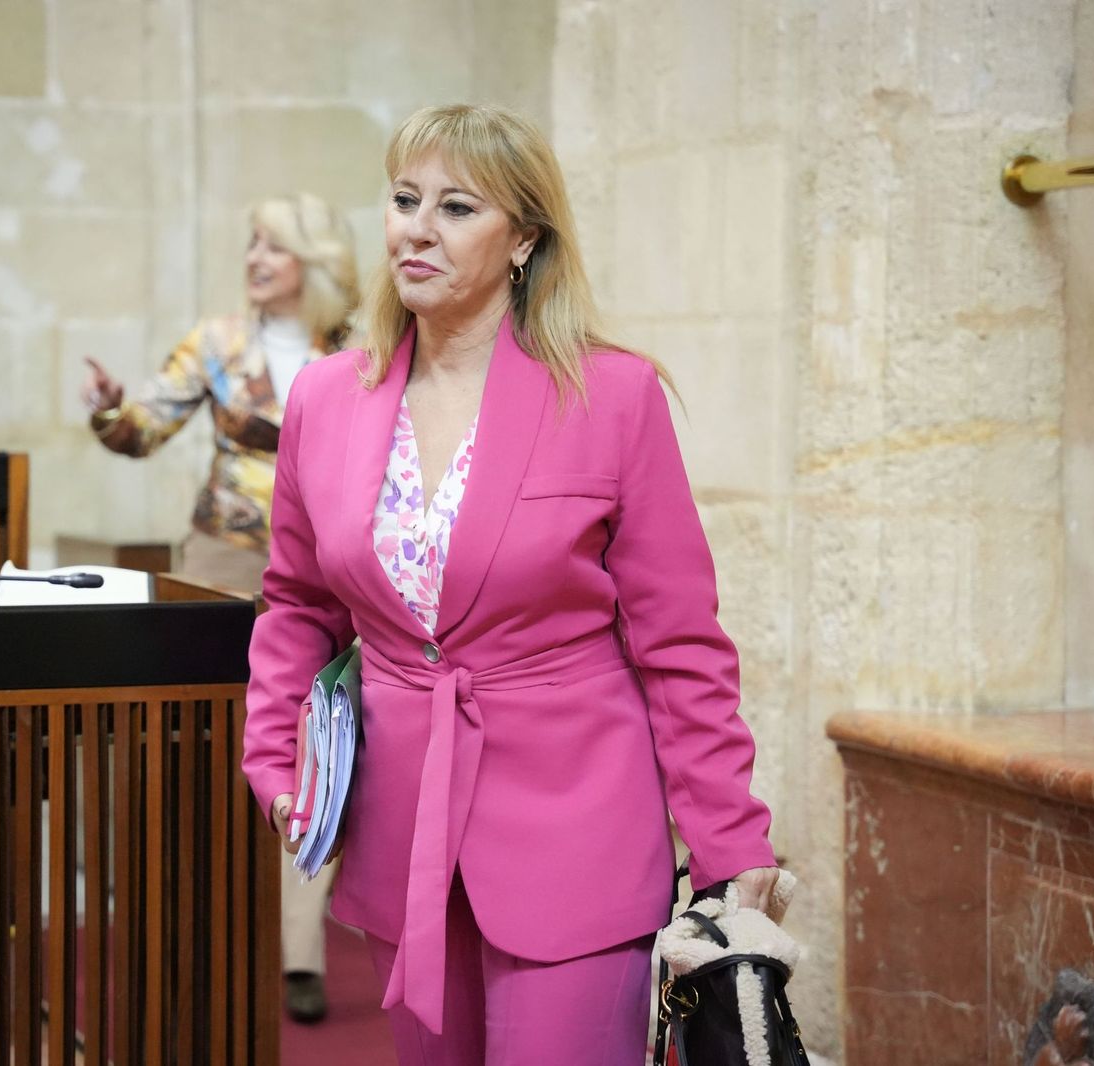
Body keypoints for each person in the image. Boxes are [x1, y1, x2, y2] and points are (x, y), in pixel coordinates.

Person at [242, 104, 781, 1064]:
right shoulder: (326, 399)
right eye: (405, 200)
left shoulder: (611, 395)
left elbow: (679, 639)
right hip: (402, 833)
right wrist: (280, 759)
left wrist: (731, 839)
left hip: (579, 825)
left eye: (457, 207)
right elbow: (297, 603)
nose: (417, 227)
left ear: (524, 239)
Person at [83, 192, 358, 1022]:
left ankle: (299, 955)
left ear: (312, 261)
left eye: (271, 246)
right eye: (250, 245)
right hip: (217, 566)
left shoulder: (360, 349)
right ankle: (195, 934)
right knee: (211, 745)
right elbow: (141, 431)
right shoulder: (218, 342)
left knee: (314, 752)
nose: (254, 260)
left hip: (321, 581)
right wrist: (108, 406)